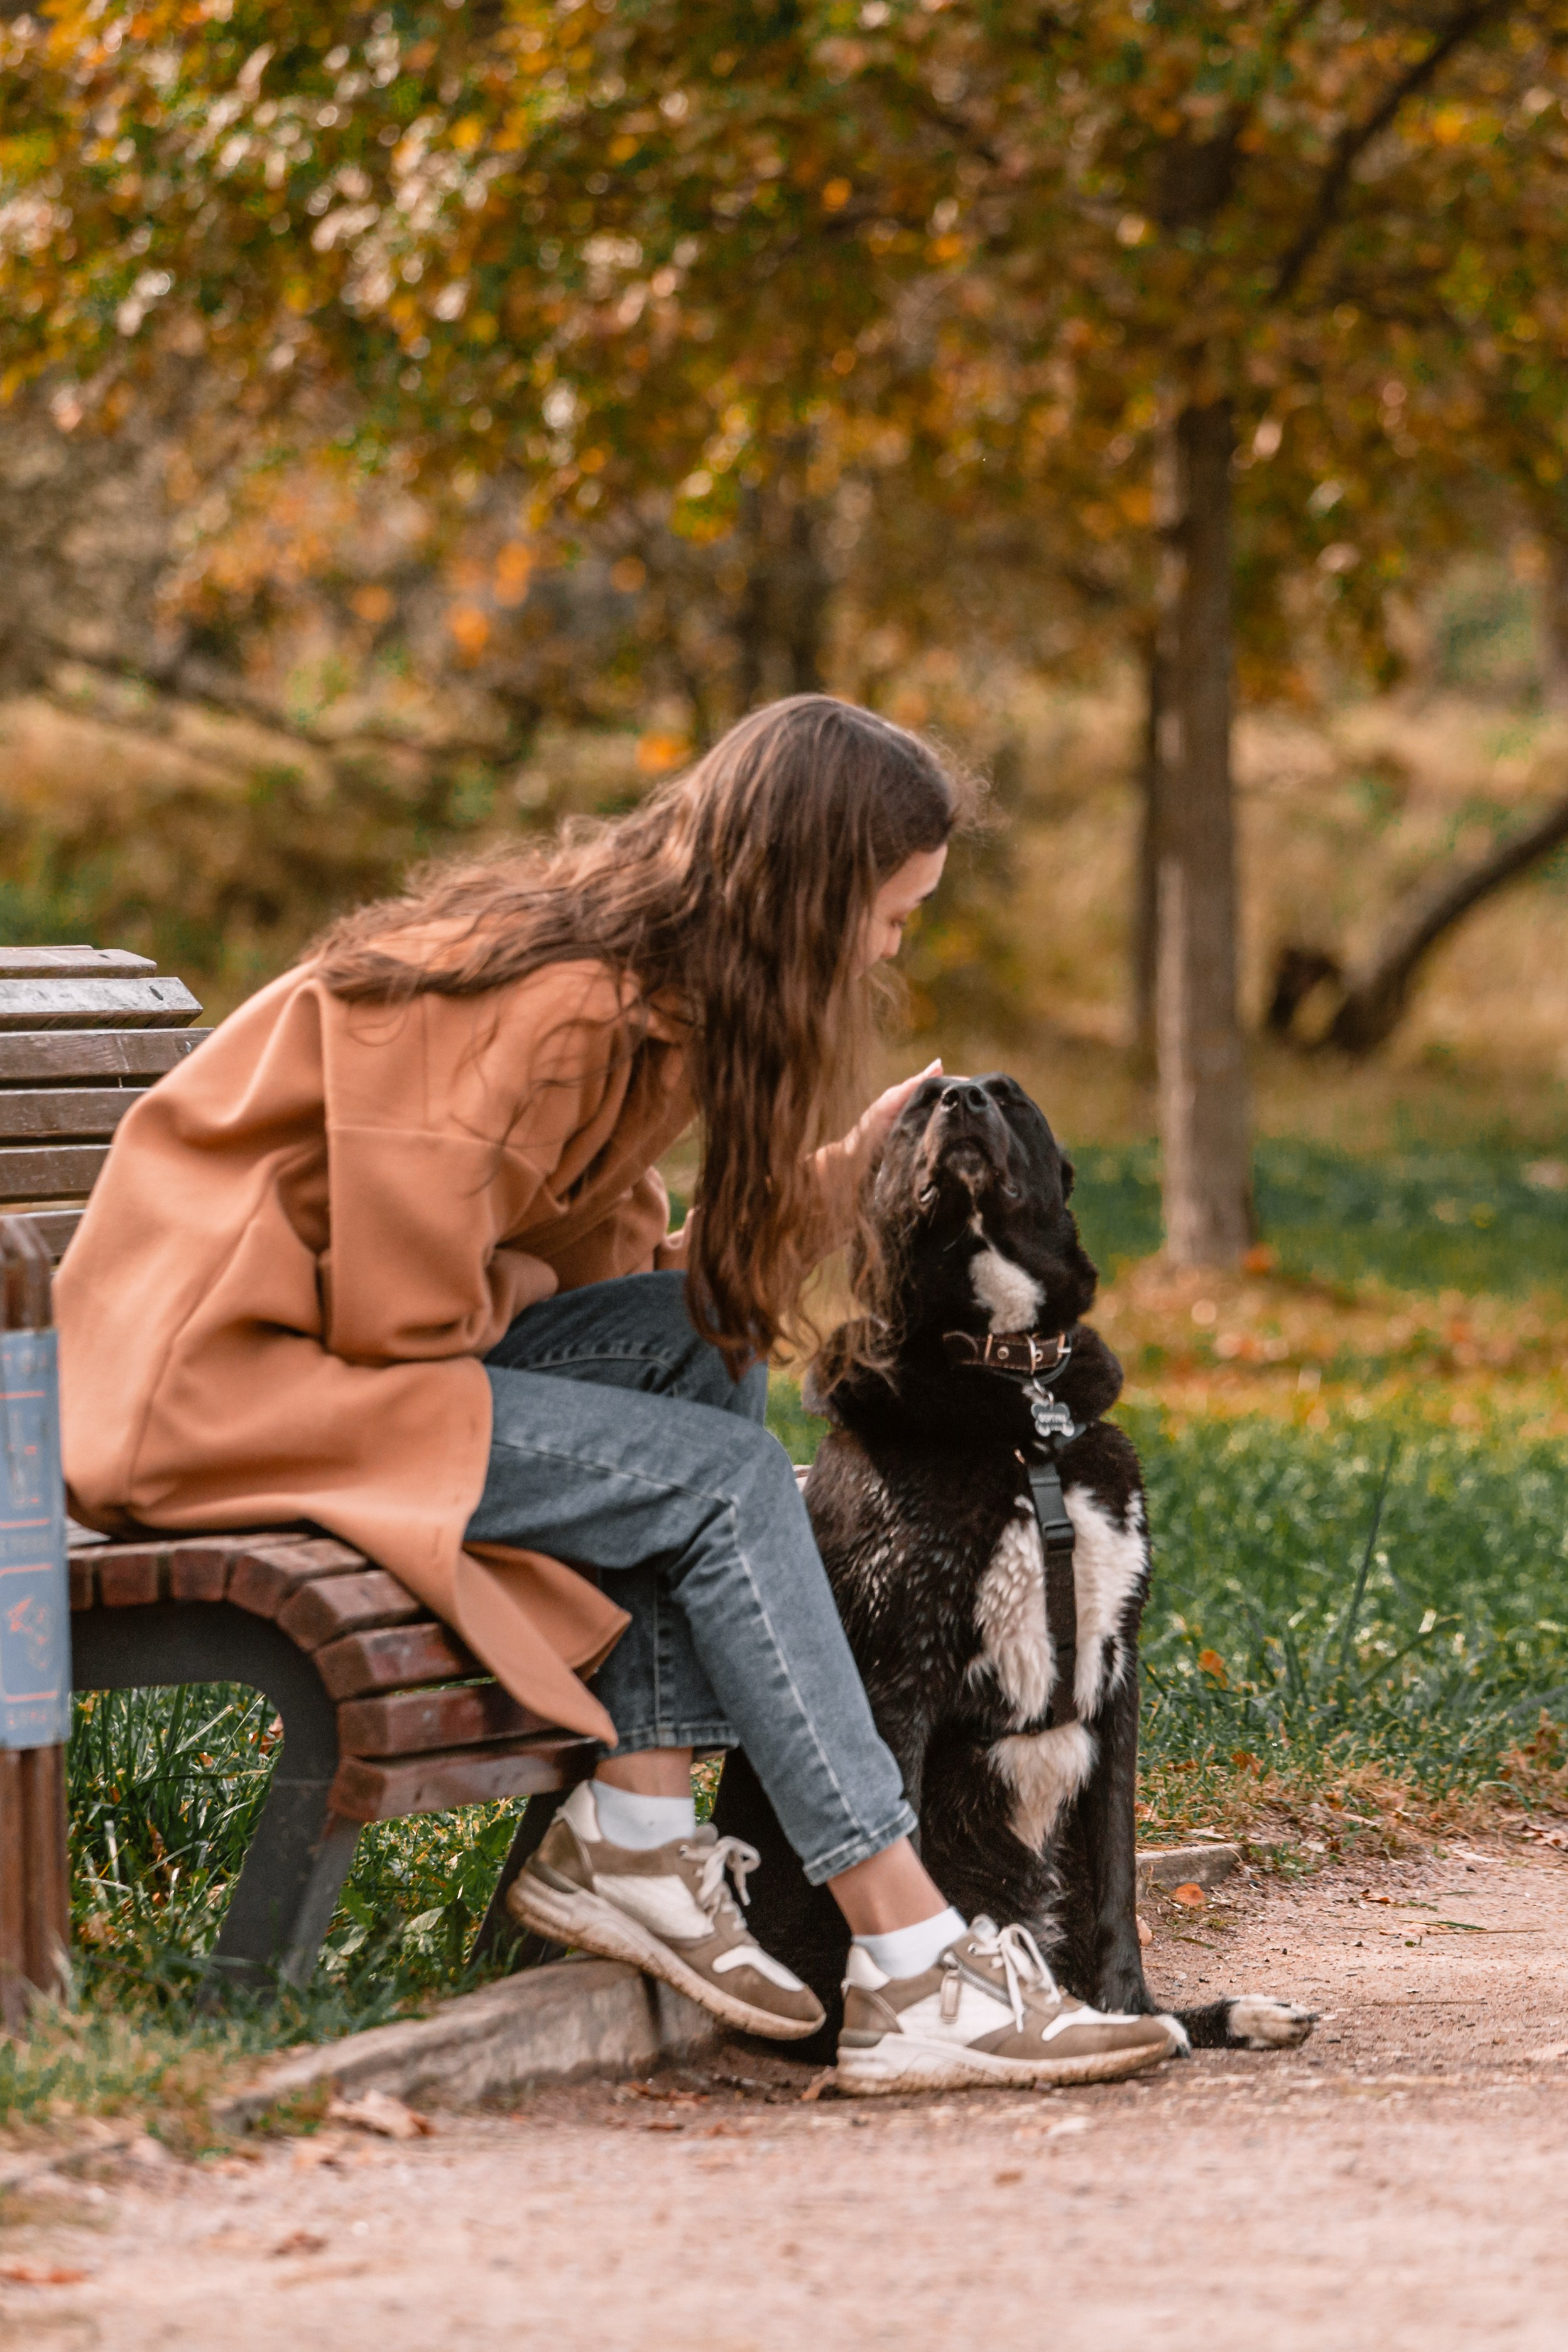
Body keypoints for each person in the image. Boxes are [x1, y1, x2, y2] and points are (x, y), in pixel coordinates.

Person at [58, 694, 1175, 2093]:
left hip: (334, 1371)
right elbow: (410, 1310)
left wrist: (830, 1186)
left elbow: (626, 1295)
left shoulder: (648, 1014)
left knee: (710, 1335)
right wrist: (540, 1292)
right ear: (812, 895)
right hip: (217, 1390)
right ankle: (906, 1954)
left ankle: (641, 1834)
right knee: (719, 1481)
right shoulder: (550, 1005)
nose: (895, 948)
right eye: (892, 915)